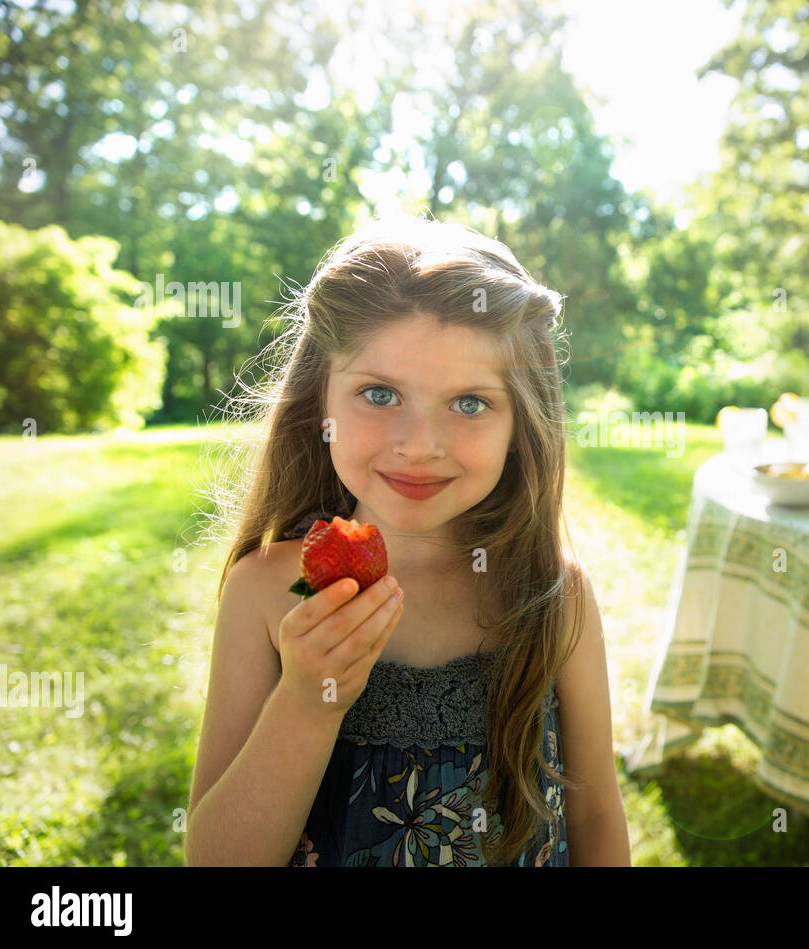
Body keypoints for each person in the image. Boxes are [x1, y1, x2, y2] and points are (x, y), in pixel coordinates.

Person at [183, 216, 631, 866]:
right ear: (321, 402)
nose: (420, 445)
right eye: (380, 393)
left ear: (521, 423)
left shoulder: (552, 596)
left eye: (471, 403)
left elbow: (593, 810)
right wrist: (309, 702)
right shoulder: (268, 592)